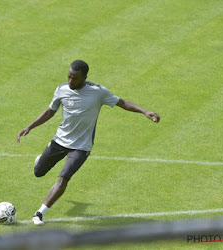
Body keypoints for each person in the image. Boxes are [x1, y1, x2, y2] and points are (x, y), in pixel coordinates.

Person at [17, 60, 160, 226]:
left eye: (75, 78)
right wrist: (30, 127)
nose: (71, 81)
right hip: (60, 140)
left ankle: (39, 214)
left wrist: (144, 111)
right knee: (38, 172)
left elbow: (122, 103)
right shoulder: (61, 90)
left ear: (84, 77)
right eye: (69, 77)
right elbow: (50, 111)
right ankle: (41, 160)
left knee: (64, 178)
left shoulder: (98, 92)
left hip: (81, 147)